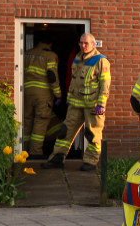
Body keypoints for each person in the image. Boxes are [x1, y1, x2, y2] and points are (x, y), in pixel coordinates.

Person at [46, 33, 110, 171]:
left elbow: (105, 84)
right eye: (81, 43)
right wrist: (69, 99)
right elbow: (73, 81)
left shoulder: (100, 61)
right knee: (65, 131)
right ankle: (57, 158)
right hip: (75, 104)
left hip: (92, 105)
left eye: (86, 43)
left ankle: (91, 162)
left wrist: (101, 104)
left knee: (92, 134)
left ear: (93, 44)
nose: (83, 46)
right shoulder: (77, 59)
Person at [20, 35, 63, 156]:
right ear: (50, 44)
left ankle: (24, 150)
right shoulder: (50, 56)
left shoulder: (27, 54)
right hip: (43, 95)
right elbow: (52, 76)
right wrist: (58, 94)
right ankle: (35, 152)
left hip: (27, 93)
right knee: (41, 121)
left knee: (27, 120)